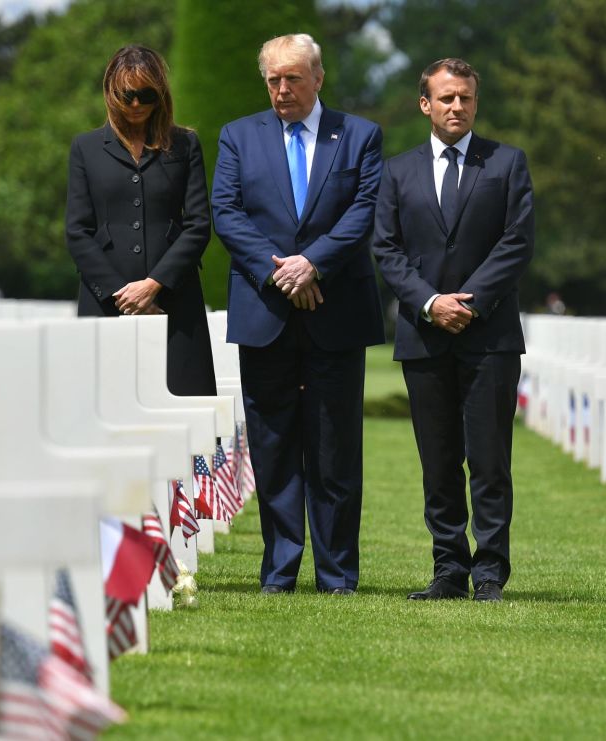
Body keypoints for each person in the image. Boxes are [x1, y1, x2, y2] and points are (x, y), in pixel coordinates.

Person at [211, 33, 384, 595]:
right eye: (273, 80)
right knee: (274, 447)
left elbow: (364, 211)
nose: (282, 90)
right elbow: (227, 211)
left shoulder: (359, 136)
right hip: (266, 310)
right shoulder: (239, 136)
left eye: (292, 78)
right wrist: (281, 271)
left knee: (335, 450)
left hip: (336, 309)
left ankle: (337, 576)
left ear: (318, 78)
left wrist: (313, 264)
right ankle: (279, 571)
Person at [373, 58, 534, 602]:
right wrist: (429, 302)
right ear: (426, 104)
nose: (457, 106)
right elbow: (386, 250)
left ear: (475, 101)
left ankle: (490, 572)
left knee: (489, 461)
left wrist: (469, 302)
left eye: (465, 96)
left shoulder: (508, 164)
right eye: (446, 98)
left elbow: (517, 242)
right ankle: (448, 568)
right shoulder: (396, 172)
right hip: (424, 337)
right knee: (438, 461)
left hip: (489, 338)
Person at [66, 45, 216, 397]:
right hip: (105, 302)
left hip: (176, 302)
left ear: (160, 94)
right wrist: (124, 294)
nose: (135, 104)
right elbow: (77, 231)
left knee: (185, 411)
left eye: (145, 95)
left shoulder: (186, 145)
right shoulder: (85, 148)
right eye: (126, 95)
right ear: (111, 94)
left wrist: (153, 285)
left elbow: (198, 225)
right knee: (100, 406)